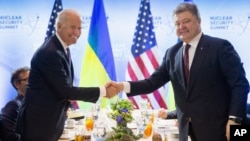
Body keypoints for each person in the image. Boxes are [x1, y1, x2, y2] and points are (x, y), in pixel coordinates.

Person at [109, 2, 249, 141]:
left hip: (221, 130)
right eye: (177, 24)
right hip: (186, 132)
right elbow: (151, 83)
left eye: (186, 21)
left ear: (199, 21)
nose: (181, 27)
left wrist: (235, 120)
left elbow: (240, 84)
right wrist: (122, 86)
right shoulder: (172, 53)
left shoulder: (219, 47)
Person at [15, 9, 118, 141]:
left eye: (80, 28)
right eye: (73, 27)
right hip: (39, 124)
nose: (77, 32)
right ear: (58, 26)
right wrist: (103, 91)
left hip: (48, 121)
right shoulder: (50, 52)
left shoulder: (60, 47)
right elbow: (66, 91)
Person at [0, 66, 29, 141]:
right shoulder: (13, 105)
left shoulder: (27, 104)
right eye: (28, 79)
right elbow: (11, 137)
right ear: (17, 84)